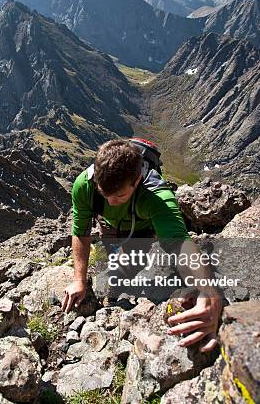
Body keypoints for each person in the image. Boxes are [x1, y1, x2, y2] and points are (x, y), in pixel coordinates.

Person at [61, 139, 222, 352]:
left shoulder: (157, 197)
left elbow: (180, 245)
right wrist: (78, 280)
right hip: (109, 226)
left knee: (130, 264)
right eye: (104, 193)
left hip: (143, 229)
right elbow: (81, 231)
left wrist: (210, 291)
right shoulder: (85, 185)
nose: (111, 202)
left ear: (136, 181)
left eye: (120, 196)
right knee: (117, 268)